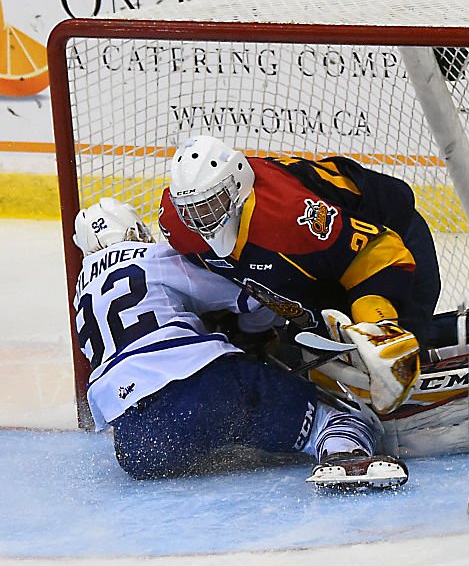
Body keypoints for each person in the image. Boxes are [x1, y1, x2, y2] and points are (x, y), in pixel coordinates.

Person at [71, 197, 407, 489]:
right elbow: (253, 298)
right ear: (135, 231)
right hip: (202, 393)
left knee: (218, 424)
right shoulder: (153, 256)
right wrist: (255, 334)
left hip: (136, 447)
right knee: (337, 418)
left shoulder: (81, 296)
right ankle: (345, 453)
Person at [157, 135, 442, 416]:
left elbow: (381, 253)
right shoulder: (177, 224)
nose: (203, 220)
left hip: (391, 232)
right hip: (326, 255)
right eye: (192, 210)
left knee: (395, 357)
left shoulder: (291, 217)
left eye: (212, 204)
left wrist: (379, 326)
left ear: (239, 184)